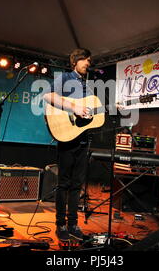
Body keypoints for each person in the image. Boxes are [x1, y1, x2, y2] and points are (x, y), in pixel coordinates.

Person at [43, 48, 93, 241]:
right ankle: (60, 224)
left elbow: (90, 110)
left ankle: (73, 224)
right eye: (85, 59)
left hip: (82, 139)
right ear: (75, 61)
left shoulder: (86, 85)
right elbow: (48, 96)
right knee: (63, 184)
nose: (88, 63)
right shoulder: (65, 78)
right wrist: (74, 107)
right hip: (66, 138)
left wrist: (115, 107)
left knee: (76, 185)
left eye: (89, 60)